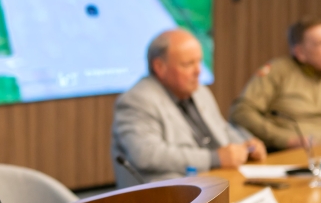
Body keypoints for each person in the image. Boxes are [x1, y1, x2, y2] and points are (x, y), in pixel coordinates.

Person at [111, 29, 266, 187]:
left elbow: (222, 128)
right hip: (171, 194)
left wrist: (246, 145)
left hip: (219, 180)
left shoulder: (199, 91)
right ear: (159, 67)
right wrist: (214, 158)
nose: (198, 71)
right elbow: (146, 154)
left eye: (199, 62)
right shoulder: (137, 100)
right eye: (188, 64)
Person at [230, 16, 321, 150]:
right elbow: (241, 113)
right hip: (284, 152)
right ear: (300, 52)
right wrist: (286, 140)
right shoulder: (278, 72)